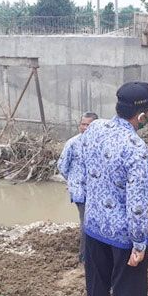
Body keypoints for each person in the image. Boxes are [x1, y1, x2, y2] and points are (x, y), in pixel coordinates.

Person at [80, 81, 148, 296]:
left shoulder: (94, 129)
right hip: (122, 235)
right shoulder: (136, 149)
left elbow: (83, 169)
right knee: (130, 293)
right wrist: (139, 243)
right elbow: (138, 205)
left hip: (93, 227)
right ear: (140, 116)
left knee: (96, 286)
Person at [58, 111, 99, 263]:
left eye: (89, 124)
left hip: (98, 191)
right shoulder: (72, 143)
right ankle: (84, 256)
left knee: (96, 221)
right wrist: (73, 181)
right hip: (80, 191)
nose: (85, 127)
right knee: (86, 221)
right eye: (83, 124)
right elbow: (62, 166)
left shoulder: (101, 143)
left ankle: (95, 252)